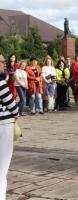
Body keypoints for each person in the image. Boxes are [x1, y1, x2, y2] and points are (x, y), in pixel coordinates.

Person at [0, 54, 19, 200]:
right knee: (2, 169)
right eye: (1, 61)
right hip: (4, 125)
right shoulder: (1, 84)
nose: (4, 64)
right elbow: (13, 107)